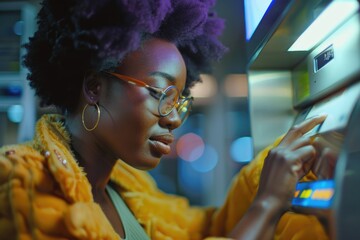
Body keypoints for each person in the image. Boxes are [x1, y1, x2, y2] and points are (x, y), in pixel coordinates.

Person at [0, 0, 328, 239]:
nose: (173, 119)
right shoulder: (22, 183)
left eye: (180, 102)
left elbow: (207, 228)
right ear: (94, 87)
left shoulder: (130, 189)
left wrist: (273, 172)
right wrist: (267, 203)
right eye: (161, 94)